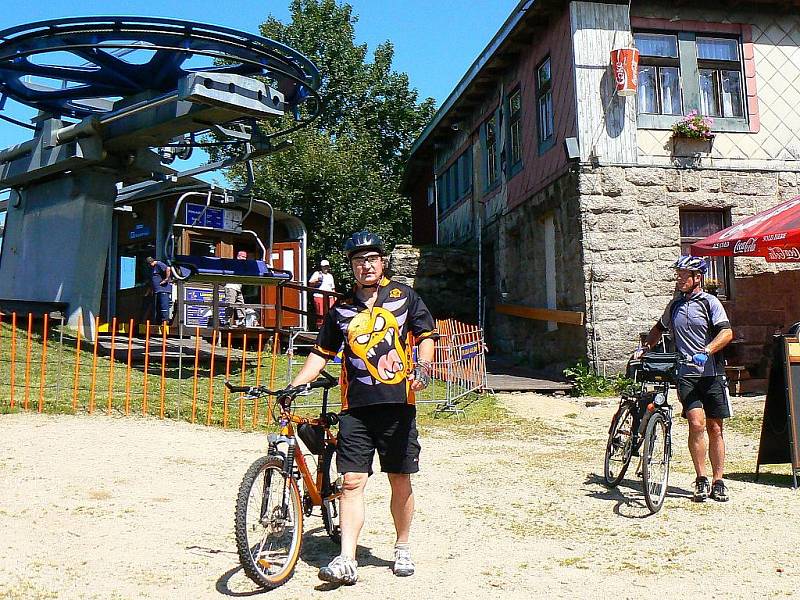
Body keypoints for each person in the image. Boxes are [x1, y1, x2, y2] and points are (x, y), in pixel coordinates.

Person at [288, 231, 436, 585]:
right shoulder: (341, 308)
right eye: (358, 261)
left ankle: (402, 546)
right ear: (351, 267)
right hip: (354, 409)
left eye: (371, 259)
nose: (365, 266)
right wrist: (295, 384)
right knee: (351, 481)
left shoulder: (404, 297)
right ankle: (346, 558)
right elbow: (321, 353)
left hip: (398, 405)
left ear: (382, 262)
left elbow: (426, 337)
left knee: (399, 478)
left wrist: (423, 368)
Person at [643, 255, 734, 503]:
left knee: (715, 427)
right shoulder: (674, 306)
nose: (679, 279)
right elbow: (658, 329)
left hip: (712, 374)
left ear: (697, 278)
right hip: (686, 375)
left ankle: (718, 480)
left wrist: (706, 351)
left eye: (684, 275)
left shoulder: (710, 303)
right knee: (696, 424)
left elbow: (726, 333)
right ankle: (701, 478)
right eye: (678, 274)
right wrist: (645, 348)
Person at [309, 258, 337, 329]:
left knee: (330, 313)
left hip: (330, 297)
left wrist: (335, 298)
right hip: (319, 296)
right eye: (324, 266)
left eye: (327, 266)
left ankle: (330, 328)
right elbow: (310, 283)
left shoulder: (330, 276)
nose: (325, 268)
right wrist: (317, 280)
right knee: (320, 313)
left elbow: (333, 288)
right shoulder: (317, 273)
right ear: (321, 267)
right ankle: (320, 328)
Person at [146, 256, 172, 330]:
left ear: (151, 262)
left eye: (149, 263)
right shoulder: (153, 268)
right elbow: (152, 280)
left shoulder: (159, 264)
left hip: (163, 289)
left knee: (164, 305)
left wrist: (166, 279)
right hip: (157, 290)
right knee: (158, 307)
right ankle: (158, 321)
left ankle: (165, 321)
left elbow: (168, 269)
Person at [225, 250, 248, 327]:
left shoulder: (244, 266)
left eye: (245, 257)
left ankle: (241, 322)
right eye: (242, 257)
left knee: (241, 304)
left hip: (238, 288)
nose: (244, 259)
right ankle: (226, 321)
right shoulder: (234, 263)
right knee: (230, 304)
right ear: (238, 256)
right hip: (231, 286)